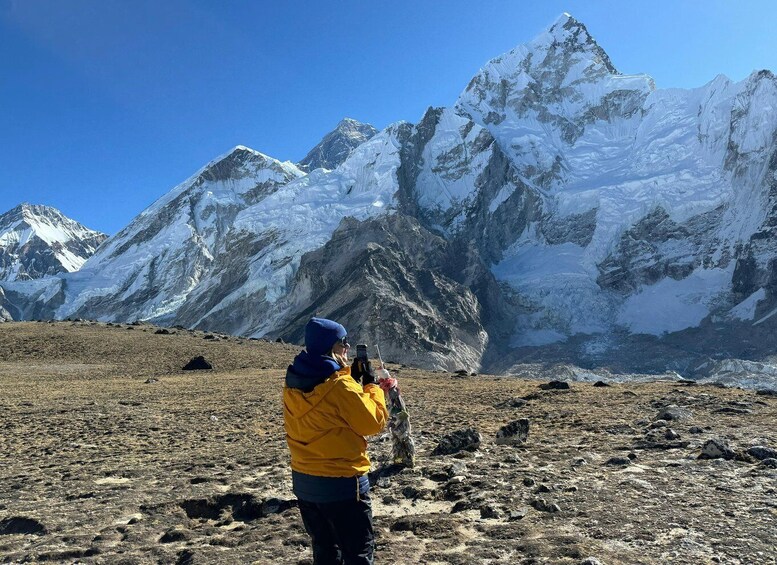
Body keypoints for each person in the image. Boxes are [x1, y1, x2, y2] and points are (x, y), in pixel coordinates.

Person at [283, 317, 388, 565]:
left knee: (325, 551)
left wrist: (349, 375)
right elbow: (373, 422)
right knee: (358, 553)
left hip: (306, 483)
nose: (348, 347)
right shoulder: (341, 387)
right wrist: (372, 385)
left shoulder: (293, 381)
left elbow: (325, 400)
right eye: (343, 342)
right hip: (342, 483)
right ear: (331, 347)